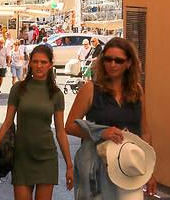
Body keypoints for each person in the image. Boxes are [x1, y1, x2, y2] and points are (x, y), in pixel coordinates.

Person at [65, 36, 157, 197]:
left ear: (129, 63)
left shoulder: (137, 91)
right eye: (107, 59)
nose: (112, 64)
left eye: (118, 60)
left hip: (128, 167)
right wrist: (100, 132)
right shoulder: (90, 89)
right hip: (97, 167)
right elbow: (70, 126)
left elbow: (145, 131)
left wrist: (148, 170)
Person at [0, 44, 74, 198]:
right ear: (30, 63)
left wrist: (69, 165)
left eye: (43, 62)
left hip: (47, 157)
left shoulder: (56, 94)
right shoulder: (18, 88)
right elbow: (7, 123)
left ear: (50, 65)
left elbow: (60, 131)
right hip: (22, 157)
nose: (39, 66)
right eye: (35, 61)